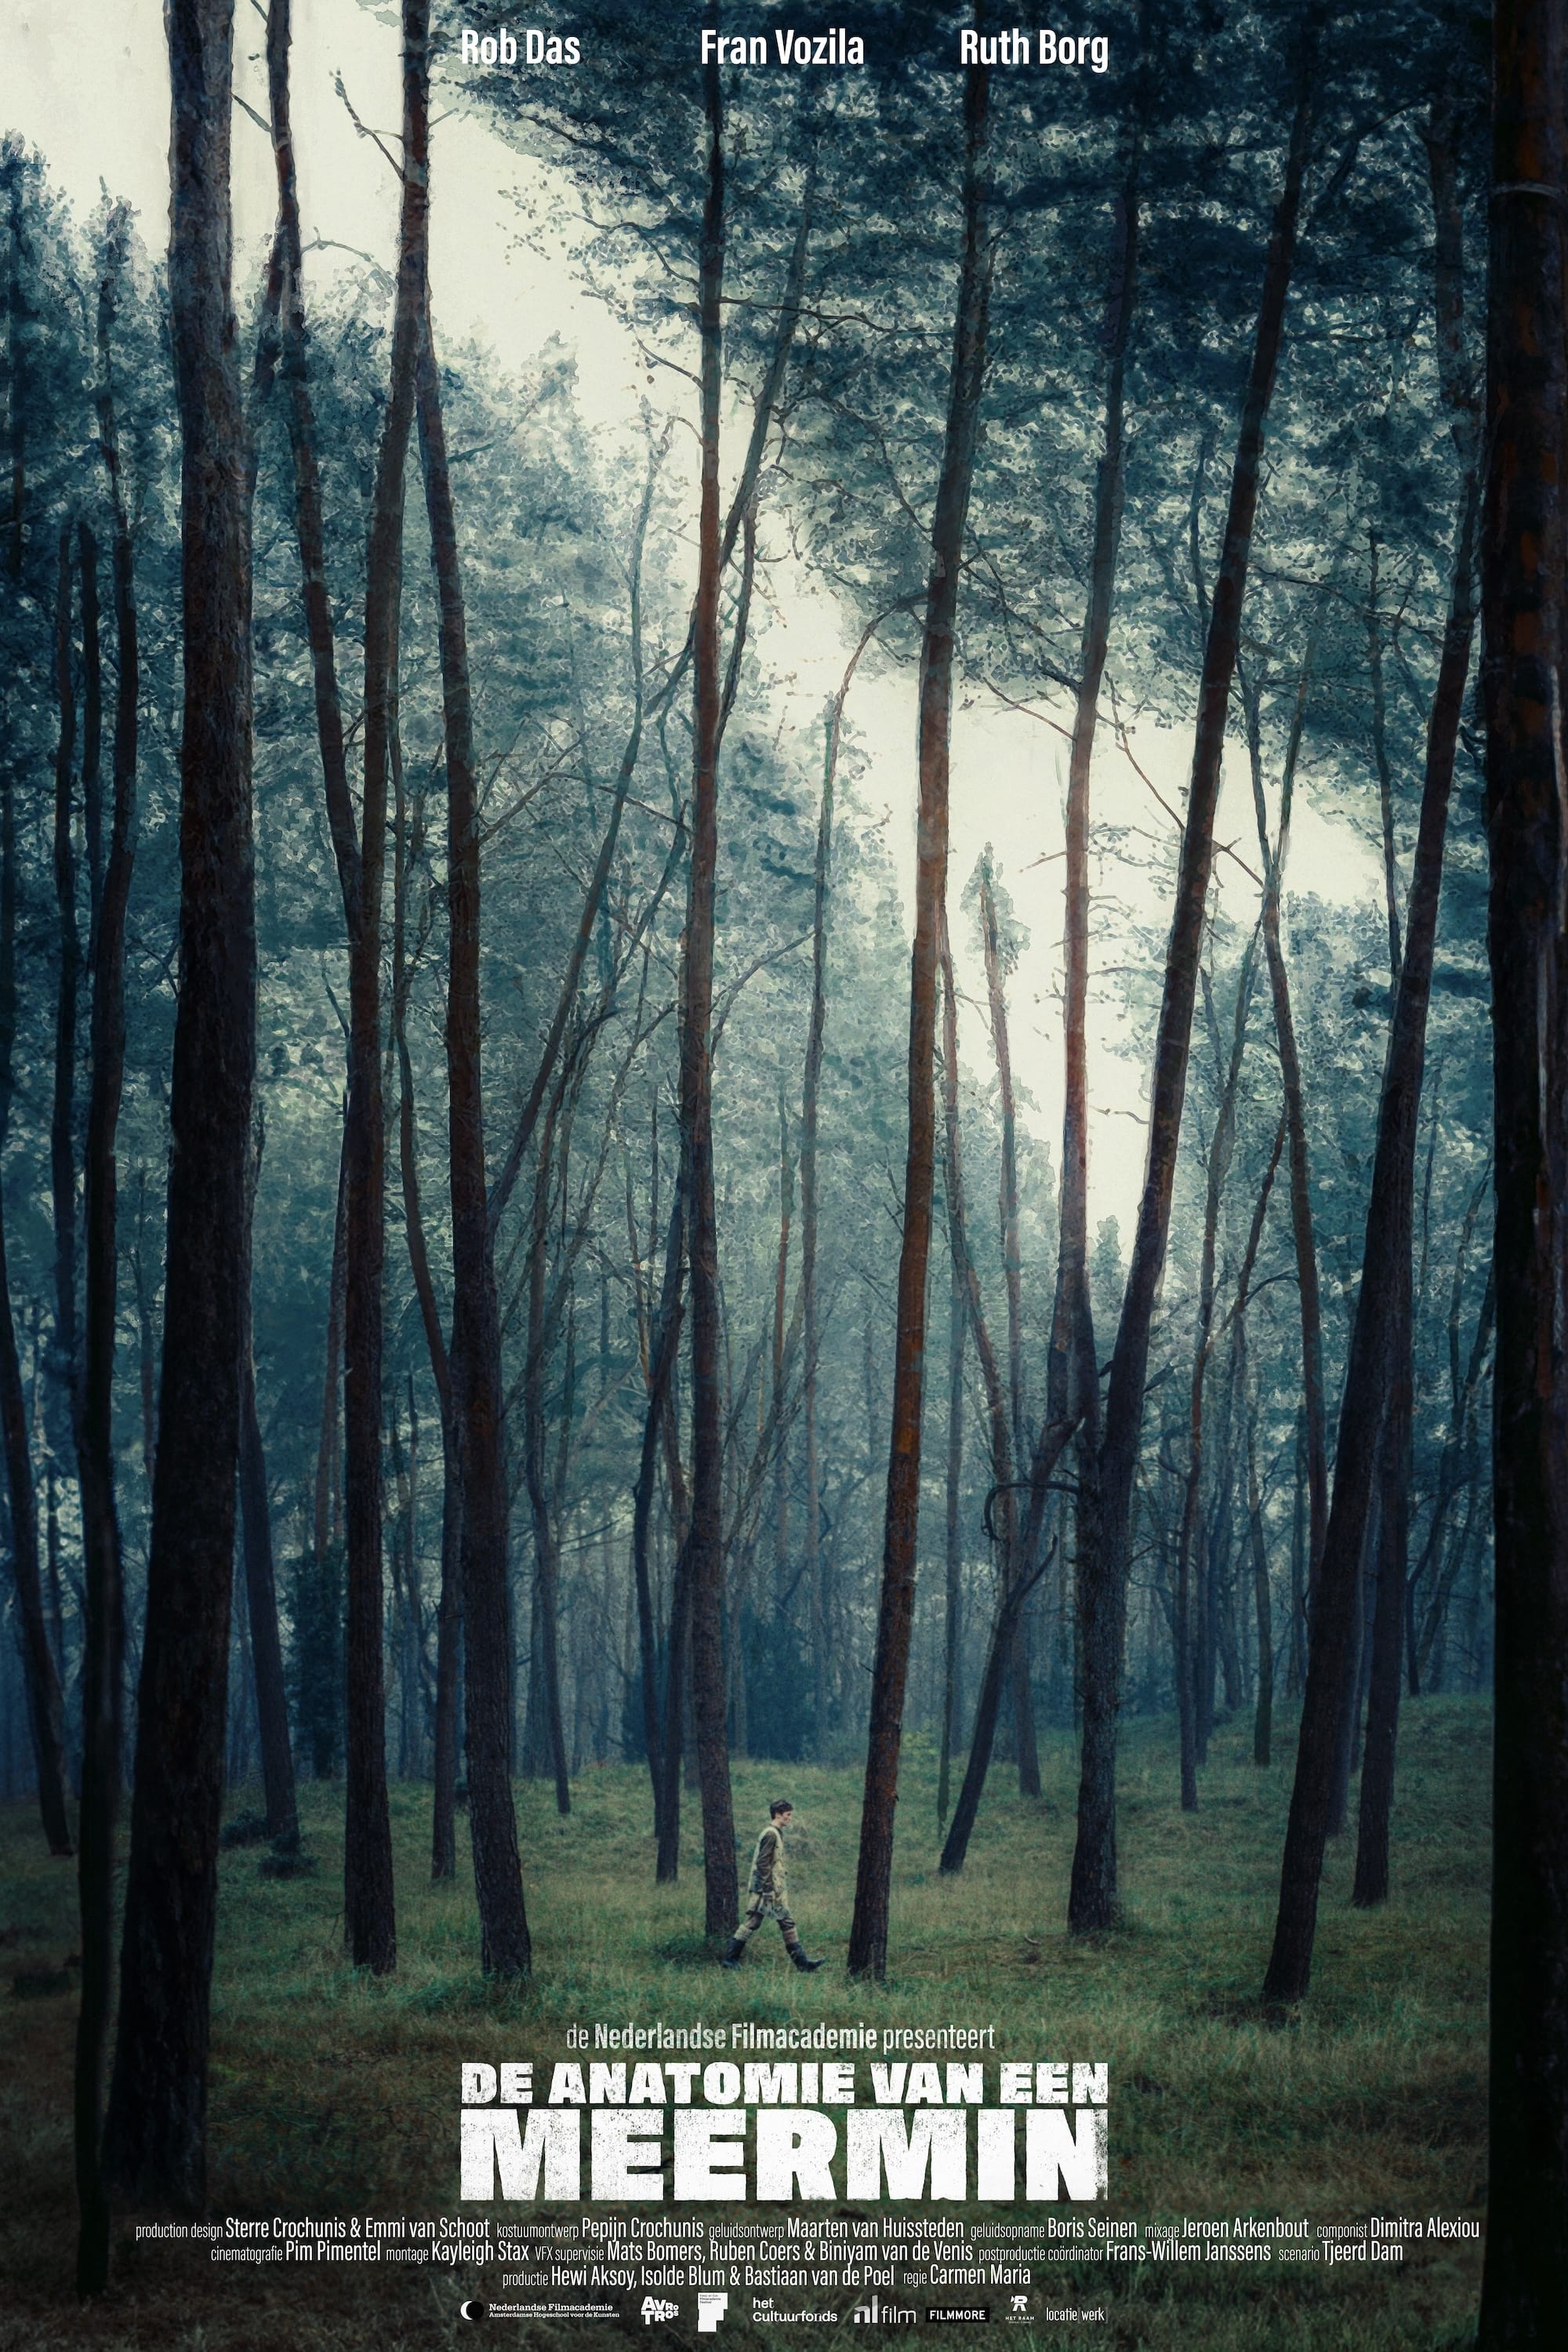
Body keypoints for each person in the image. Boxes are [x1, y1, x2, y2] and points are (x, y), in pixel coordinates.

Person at [720, 1798, 823, 1970]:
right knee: (754, 1922)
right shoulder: (770, 1834)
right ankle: (730, 1959)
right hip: (768, 1890)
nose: (790, 1818)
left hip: (774, 1889)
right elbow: (762, 1863)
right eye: (788, 1815)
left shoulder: (775, 1832)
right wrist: (768, 1889)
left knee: (785, 1922)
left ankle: (803, 1963)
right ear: (778, 1815)